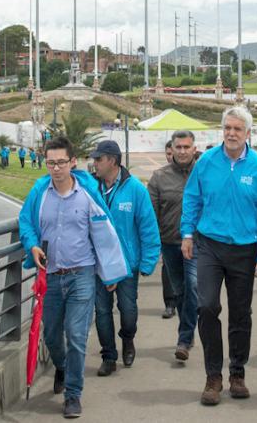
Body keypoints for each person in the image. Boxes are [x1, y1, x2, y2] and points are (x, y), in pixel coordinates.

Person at [19, 136, 129, 418]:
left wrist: (110, 271)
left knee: (77, 335)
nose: (56, 169)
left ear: (73, 163)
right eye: (50, 163)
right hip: (51, 277)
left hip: (81, 274)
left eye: (61, 163)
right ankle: (62, 367)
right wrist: (32, 244)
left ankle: (73, 394)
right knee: (53, 335)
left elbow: (105, 233)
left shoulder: (88, 193)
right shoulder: (39, 192)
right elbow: (26, 222)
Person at [181, 106, 257, 406]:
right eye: (227, 128)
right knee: (207, 306)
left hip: (245, 248)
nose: (232, 133)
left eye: (238, 129)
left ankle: (237, 373)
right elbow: (192, 198)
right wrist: (187, 233)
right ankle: (213, 377)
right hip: (209, 245)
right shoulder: (207, 162)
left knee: (241, 313)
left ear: (248, 133)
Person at [91, 140, 161, 376]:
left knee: (128, 310)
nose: (95, 164)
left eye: (99, 159)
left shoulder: (135, 189)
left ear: (112, 160)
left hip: (127, 264)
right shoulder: (91, 188)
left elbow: (148, 226)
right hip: (99, 264)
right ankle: (108, 356)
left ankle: (127, 338)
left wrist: (148, 261)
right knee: (102, 311)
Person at [148, 130, 199, 361]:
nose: (182, 151)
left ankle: (184, 339)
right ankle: (188, 328)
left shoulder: (204, 173)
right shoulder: (159, 177)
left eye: (186, 147)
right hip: (169, 243)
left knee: (193, 286)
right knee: (179, 290)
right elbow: (151, 214)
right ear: (172, 149)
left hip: (198, 243)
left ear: (194, 148)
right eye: (178, 147)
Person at [160, 139, 177, 318]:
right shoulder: (160, 176)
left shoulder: (194, 173)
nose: (170, 156)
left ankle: (188, 304)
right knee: (169, 271)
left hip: (192, 236)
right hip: (167, 234)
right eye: (168, 153)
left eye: (171, 153)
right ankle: (170, 304)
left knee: (191, 274)